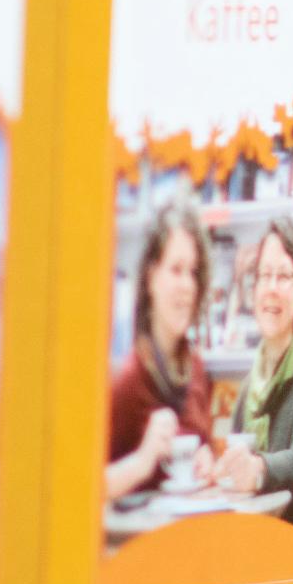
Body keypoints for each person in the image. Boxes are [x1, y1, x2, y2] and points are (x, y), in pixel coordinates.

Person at [206, 214, 293, 534]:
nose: (271, 288)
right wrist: (218, 470)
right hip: (251, 541)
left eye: (283, 276)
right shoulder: (248, 387)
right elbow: (236, 469)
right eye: (264, 276)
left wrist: (258, 470)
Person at [105, 195, 213, 521]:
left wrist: (206, 461)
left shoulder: (196, 370)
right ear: (152, 277)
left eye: (193, 272)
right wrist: (142, 461)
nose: (187, 285)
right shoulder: (128, 379)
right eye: (176, 269)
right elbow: (83, 489)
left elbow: (205, 449)